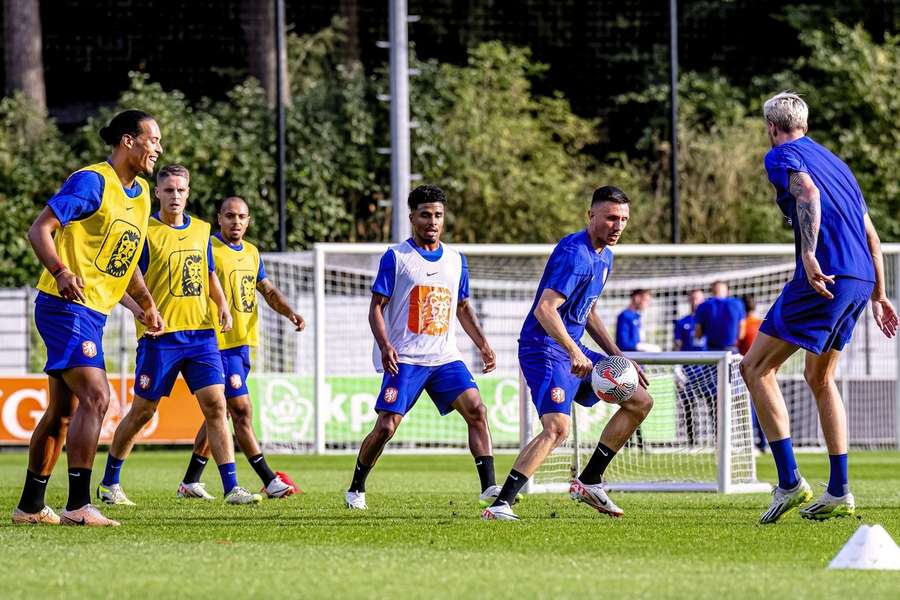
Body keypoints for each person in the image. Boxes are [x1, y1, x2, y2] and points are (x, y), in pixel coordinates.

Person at [741, 92, 897, 524]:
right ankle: (839, 490)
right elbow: (871, 234)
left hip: (824, 274)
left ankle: (789, 480)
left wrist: (809, 256)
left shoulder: (782, 155)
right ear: (805, 123)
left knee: (755, 369)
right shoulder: (839, 165)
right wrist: (881, 294)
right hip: (861, 278)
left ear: (772, 127)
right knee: (820, 375)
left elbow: (806, 192)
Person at [12, 110, 163, 527]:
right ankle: (79, 503)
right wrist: (61, 272)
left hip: (92, 313)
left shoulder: (142, 193)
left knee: (63, 411)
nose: (158, 148)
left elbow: (125, 258)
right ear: (128, 141)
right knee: (98, 397)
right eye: (152, 139)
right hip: (64, 307)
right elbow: (39, 229)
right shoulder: (92, 181)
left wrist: (143, 303)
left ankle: (29, 507)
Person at [483, 185, 653, 521]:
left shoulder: (605, 256)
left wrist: (619, 355)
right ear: (590, 216)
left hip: (575, 351)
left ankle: (590, 480)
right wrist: (574, 351)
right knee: (558, 428)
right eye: (610, 218)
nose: (617, 225)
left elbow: (587, 312)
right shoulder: (575, 253)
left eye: (623, 219)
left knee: (640, 401)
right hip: (544, 349)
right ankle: (500, 504)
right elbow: (545, 310)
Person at [97, 165, 262, 506]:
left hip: (202, 335)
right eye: (169, 190)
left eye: (181, 190)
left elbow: (209, 274)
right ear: (157, 193)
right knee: (143, 412)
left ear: (188, 193)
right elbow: (123, 280)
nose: (175, 196)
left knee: (217, 407)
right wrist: (138, 309)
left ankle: (232, 487)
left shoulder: (202, 231)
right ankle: (109, 482)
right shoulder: (145, 231)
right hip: (161, 338)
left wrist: (222, 305)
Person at [345, 185, 499, 510]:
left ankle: (489, 488)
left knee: (477, 411)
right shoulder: (397, 257)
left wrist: (483, 345)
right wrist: (385, 345)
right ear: (412, 216)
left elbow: (461, 307)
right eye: (426, 214)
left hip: (444, 358)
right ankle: (357, 487)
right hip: (406, 359)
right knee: (386, 427)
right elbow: (376, 307)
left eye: (438, 215)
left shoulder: (457, 260)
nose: (432, 221)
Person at [176, 196, 304, 500]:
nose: (236, 222)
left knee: (220, 414)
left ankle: (191, 480)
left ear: (248, 220)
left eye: (242, 216)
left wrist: (289, 312)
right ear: (219, 218)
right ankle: (269, 479)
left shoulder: (251, 252)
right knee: (241, 410)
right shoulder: (207, 247)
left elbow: (267, 290)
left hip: (244, 344)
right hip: (216, 344)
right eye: (230, 216)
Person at [673, 289, 709, 446]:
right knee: (688, 406)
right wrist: (676, 368)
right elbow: (677, 346)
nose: (696, 302)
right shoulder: (682, 322)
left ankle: (718, 442)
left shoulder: (710, 321)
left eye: (698, 299)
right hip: (689, 372)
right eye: (693, 299)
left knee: (714, 405)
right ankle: (691, 443)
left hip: (708, 370)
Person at [694, 281, 745, 351]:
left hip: (711, 350)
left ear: (712, 291)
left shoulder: (703, 306)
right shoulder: (737, 304)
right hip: (731, 350)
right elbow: (741, 334)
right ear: (726, 291)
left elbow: (698, 334)